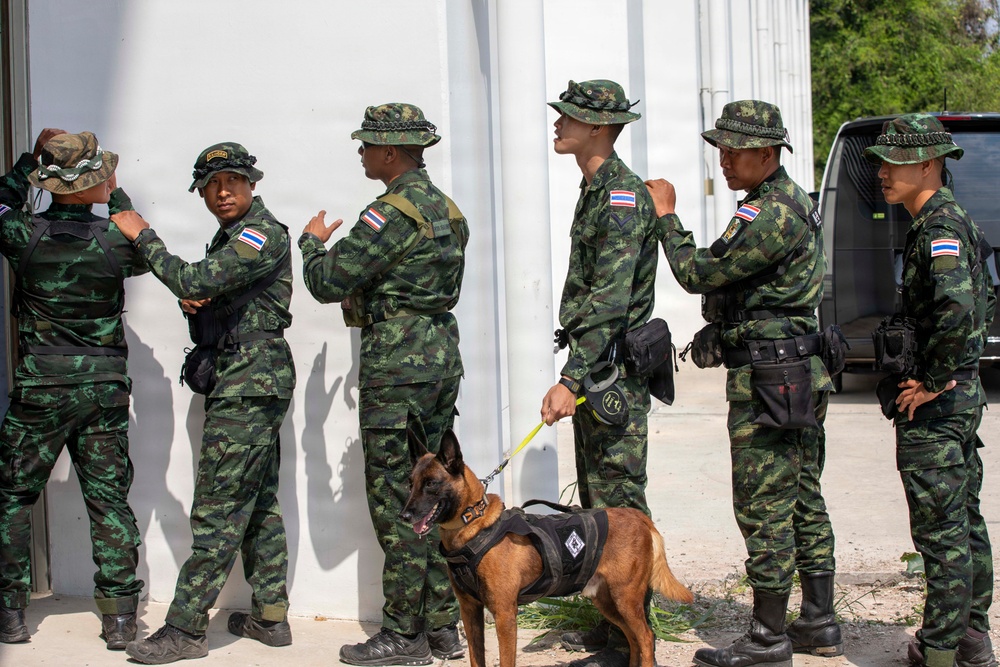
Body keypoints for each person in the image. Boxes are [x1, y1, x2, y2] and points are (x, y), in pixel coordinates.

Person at [645, 100, 840, 667]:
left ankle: (767, 637)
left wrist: (666, 216)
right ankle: (818, 622)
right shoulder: (786, 201)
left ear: (766, 153)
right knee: (802, 497)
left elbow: (699, 272)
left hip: (772, 379)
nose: (723, 161)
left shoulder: (770, 212)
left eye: (733, 151)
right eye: (720, 150)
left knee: (764, 503)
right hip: (796, 370)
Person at [111, 143, 295, 664]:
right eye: (212, 185)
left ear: (252, 184)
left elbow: (195, 277)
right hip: (249, 380)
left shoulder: (260, 233)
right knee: (258, 503)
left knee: (218, 508)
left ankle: (187, 628)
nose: (222, 192)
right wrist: (199, 298)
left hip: (248, 383)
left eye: (233, 181)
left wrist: (144, 238)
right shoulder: (232, 237)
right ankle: (271, 617)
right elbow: (211, 287)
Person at [298, 103, 468, 666]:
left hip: (399, 365)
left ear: (390, 151)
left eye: (368, 144)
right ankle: (443, 626)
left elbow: (328, 282)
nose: (362, 152)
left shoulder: (390, 212)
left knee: (401, 495)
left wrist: (312, 243)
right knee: (436, 490)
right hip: (441, 356)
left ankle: (403, 633)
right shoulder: (448, 210)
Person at [0, 129, 147, 650]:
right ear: (92, 184)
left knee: (14, 497)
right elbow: (146, 243)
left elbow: (1, 200)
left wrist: (29, 161)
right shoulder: (116, 238)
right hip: (103, 389)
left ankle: (11, 614)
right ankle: (120, 619)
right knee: (108, 501)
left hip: (41, 387)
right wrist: (118, 191)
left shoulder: (21, 233)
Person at [863, 114, 996, 667]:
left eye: (894, 164)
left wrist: (934, 380)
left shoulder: (939, 226)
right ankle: (971, 637)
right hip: (959, 399)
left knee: (941, 532)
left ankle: (942, 652)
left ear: (928, 164)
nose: (882, 175)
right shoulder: (942, 221)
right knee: (963, 521)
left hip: (941, 406)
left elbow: (960, 307)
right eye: (879, 163)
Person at [540, 79, 660, 667]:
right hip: (598, 372)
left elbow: (610, 302)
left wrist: (571, 377)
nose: (559, 124)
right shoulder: (594, 190)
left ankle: (633, 641)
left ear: (599, 129)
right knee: (596, 502)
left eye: (571, 118)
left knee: (618, 509)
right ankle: (613, 622)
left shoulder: (620, 197)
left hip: (609, 374)